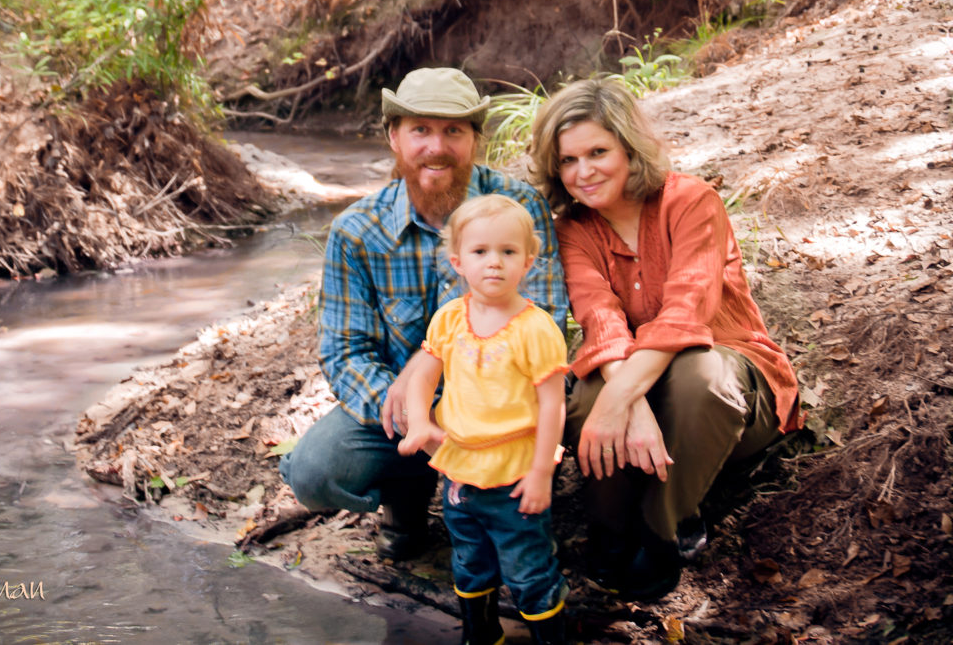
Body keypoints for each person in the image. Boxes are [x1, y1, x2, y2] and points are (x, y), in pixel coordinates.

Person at [527, 77, 802, 602]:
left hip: (733, 388)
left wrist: (622, 399)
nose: (583, 172)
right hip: (642, 381)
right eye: (567, 160)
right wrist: (623, 401)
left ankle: (663, 529)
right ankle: (608, 528)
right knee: (586, 396)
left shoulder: (691, 200)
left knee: (699, 375)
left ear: (630, 147)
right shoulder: (572, 230)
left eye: (598, 152)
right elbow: (599, 317)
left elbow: (685, 312)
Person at [279, 67, 569, 563]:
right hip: (403, 412)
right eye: (421, 130)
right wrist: (415, 415)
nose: (437, 146)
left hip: (500, 405)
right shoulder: (356, 230)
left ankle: (513, 513)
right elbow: (344, 352)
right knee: (314, 472)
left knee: (562, 411)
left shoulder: (519, 206)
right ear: (394, 137)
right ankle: (406, 497)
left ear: (475, 139)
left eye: (453, 131)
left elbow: (545, 321)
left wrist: (472, 415)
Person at [398, 194, 570, 645]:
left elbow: (553, 404)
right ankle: (481, 633)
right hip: (460, 471)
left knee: (528, 566)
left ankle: (550, 636)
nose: (494, 263)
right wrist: (419, 422)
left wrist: (540, 473)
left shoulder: (536, 329)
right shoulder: (449, 319)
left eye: (508, 252)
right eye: (480, 252)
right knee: (470, 560)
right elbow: (422, 375)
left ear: (528, 261)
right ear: (458, 260)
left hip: (516, 474)